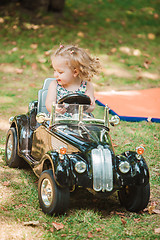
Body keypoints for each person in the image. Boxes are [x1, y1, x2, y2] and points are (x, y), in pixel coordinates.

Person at [45, 44, 100, 114]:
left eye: (60, 72)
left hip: (80, 120)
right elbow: (49, 104)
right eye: (54, 70)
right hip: (60, 120)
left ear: (75, 72)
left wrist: (88, 106)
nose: (55, 75)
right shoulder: (55, 85)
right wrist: (55, 108)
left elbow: (91, 107)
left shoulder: (87, 86)